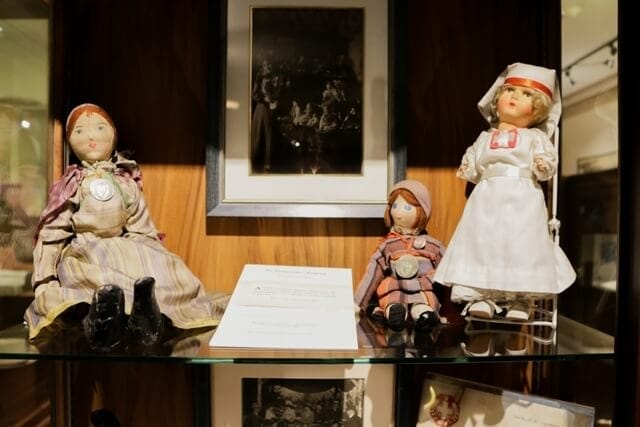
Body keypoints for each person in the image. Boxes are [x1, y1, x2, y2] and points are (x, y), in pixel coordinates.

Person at [24, 103, 217, 350]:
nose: (91, 137)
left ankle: (146, 314)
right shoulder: (72, 186)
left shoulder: (126, 184)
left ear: (113, 135)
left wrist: (153, 254)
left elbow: (141, 226)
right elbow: (52, 234)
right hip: (85, 252)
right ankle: (101, 320)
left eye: (100, 128)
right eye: (80, 131)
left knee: (163, 266)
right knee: (91, 285)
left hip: (123, 247)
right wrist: (44, 280)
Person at [433, 63, 576, 320]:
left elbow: (546, 166)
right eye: (510, 90)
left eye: (526, 95)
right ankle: (483, 296)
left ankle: (520, 299)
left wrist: (543, 165)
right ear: (497, 99)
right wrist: (469, 166)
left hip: (523, 197)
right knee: (483, 241)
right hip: (487, 197)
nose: (514, 97)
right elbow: (474, 166)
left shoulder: (535, 138)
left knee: (521, 244)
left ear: (538, 109)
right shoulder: (484, 138)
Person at [354, 179, 446, 332]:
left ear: (422, 211)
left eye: (407, 207)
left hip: (423, 289)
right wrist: (358, 302)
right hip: (395, 289)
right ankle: (395, 314)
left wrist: (456, 302)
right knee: (392, 302)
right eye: (395, 206)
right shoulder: (388, 245)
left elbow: (449, 269)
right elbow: (372, 273)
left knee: (426, 302)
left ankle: (424, 314)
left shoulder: (433, 245)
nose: (398, 212)